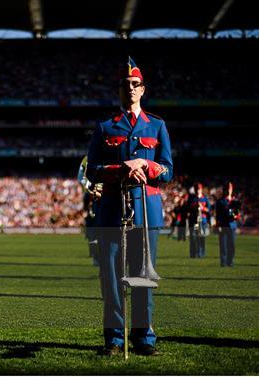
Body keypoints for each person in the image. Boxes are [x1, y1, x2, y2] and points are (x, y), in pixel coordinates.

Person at [86, 57, 173, 356]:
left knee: (142, 276)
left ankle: (143, 338)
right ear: (120, 90)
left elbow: (168, 170)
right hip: (112, 209)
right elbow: (91, 169)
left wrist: (144, 164)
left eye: (135, 85)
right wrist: (120, 168)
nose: (131, 89)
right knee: (111, 278)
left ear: (143, 90)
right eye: (126, 85)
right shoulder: (105, 127)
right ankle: (114, 339)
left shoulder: (157, 126)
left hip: (147, 210)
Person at [215, 182, 240, 267]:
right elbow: (217, 215)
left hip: (232, 225)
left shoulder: (235, 201)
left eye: (230, 188)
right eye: (228, 188)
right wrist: (218, 225)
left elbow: (238, 214)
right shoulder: (219, 202)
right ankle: (223, 262)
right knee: (223, 245)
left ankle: (231, 262)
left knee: (231, 245)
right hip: (223, 225)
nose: (229, 190)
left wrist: (236, 216)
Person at [187, 183, 211, 258]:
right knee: (193, 237)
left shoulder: (205, 199)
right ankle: (193, 254)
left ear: (201, 189)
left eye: (199, 189)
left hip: (202, 221)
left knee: (201, 237)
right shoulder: (191, 198)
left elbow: (209, 210)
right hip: (194, 221)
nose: (198, 190)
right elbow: (188, 209)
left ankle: (201, 254)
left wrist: (202, 207)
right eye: (196, 189)